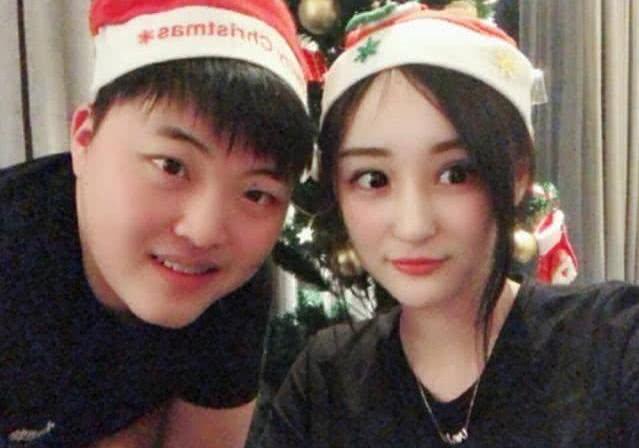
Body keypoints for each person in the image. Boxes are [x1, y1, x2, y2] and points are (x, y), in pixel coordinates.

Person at [259, 2, 639, 446]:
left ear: (517, 175)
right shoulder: (327, 381)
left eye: (455, 174)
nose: (413, 225)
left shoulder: (613, 345)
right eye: (373, 179)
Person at [0, 0, 314, 446]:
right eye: (171, 166)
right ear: (84, 139)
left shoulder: (227, 286)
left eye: (256, 193)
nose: (204, 232)